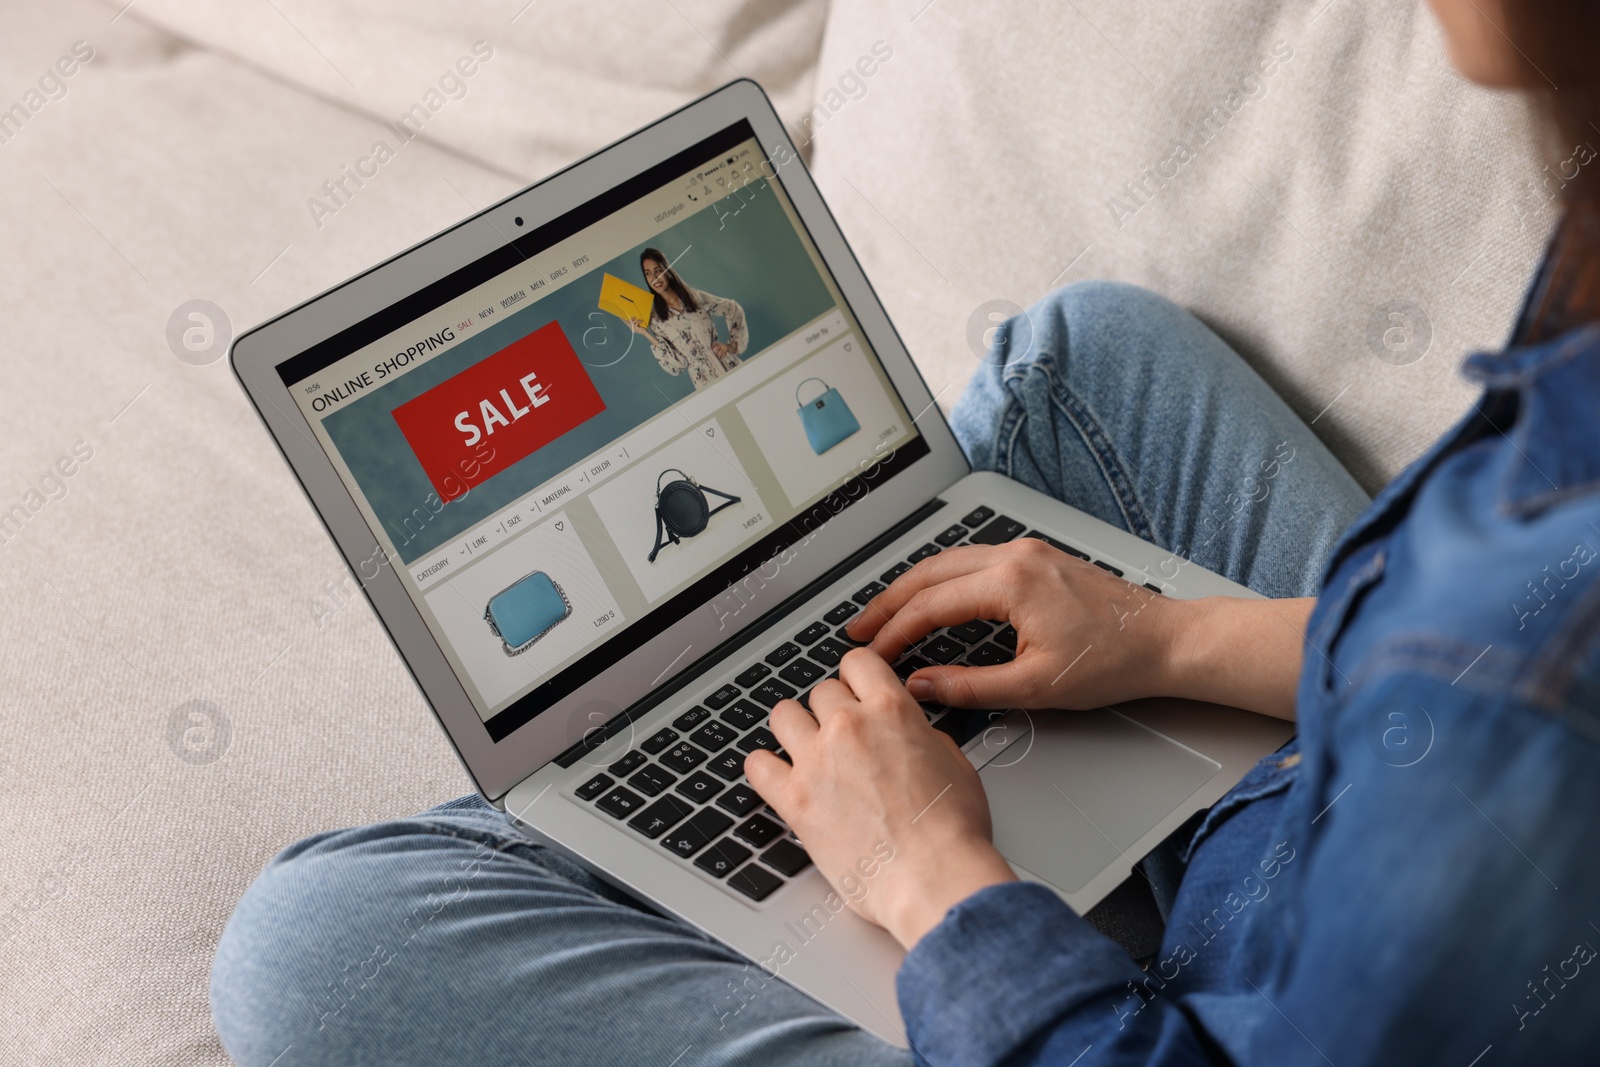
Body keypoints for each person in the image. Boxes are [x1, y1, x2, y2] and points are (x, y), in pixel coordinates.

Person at [210, 1, 1600, 1063]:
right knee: (1080, 361)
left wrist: (929, 878)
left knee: (310, 948)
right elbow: (1488, 634)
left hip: (1256, 968)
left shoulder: (1528, 730)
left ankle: (753, 841)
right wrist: (1171, 632)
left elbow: (1508, 687)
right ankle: (722, 751)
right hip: (1353, 799)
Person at [629, 247, 749, 388]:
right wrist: (645, 333)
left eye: (658, 270)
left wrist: (731, 346)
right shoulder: (656, 320)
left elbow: (732, 309)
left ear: (667, 269)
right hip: (705, 381)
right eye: (648, 273)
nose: (654, 278)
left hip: (730, 366)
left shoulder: (693, 297)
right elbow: (677, 366)